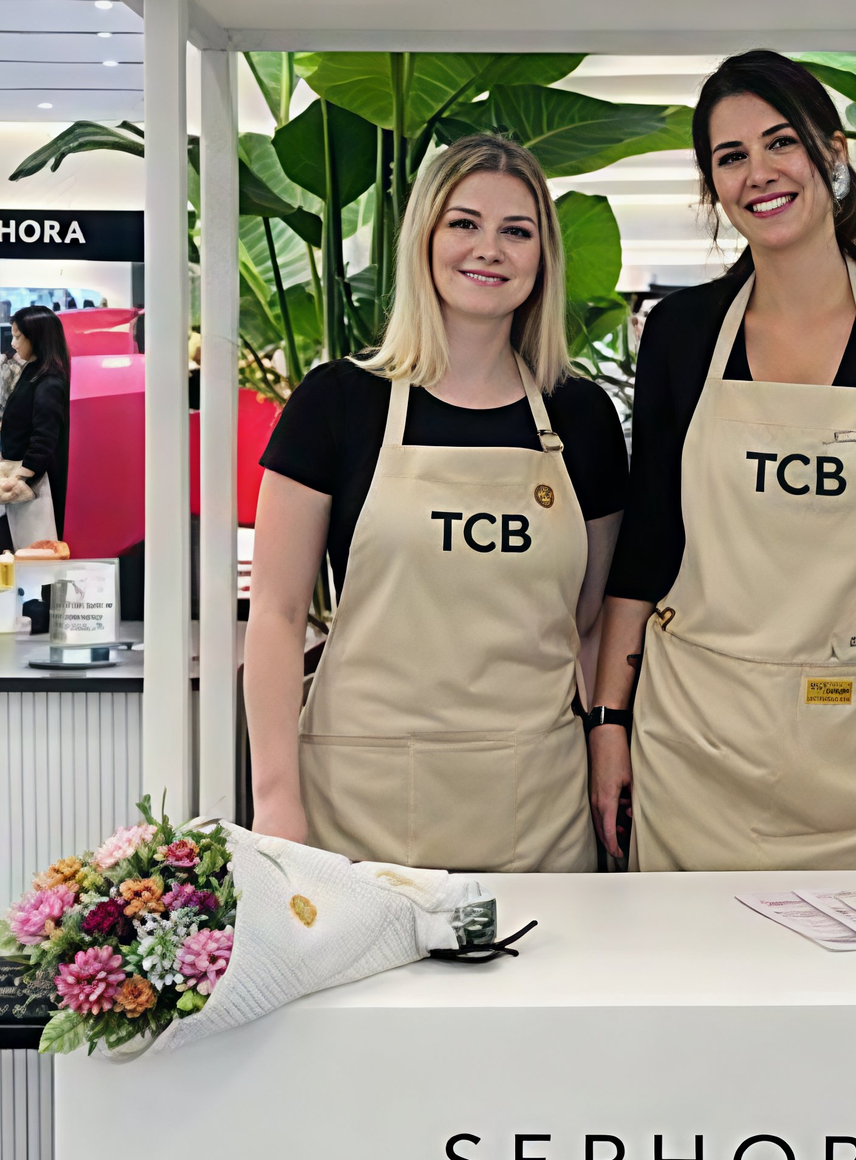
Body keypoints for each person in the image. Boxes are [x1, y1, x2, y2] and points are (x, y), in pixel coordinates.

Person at [590, 50, 856, 887]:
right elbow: (648, 542)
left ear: (833, 151)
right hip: (700, 751)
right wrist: (609, 720)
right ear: (713, 186)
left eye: (780, 142)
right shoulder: (682, 333)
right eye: (731, 157)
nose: (759, 173)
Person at [246, 134, 626, 871]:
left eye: (516, 231)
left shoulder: (581, 417)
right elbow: (278, 614)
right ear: (423, 236)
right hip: (358, 805)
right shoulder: (338, 404)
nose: (489, 249)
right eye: (464, 223)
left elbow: (590, 623)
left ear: (543, 256)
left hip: (536, 807)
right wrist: (275, 799)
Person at [0, 307, 71, 545]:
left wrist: (21, 476)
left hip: (40, 484)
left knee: (39, 558)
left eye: (18, 337)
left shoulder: (50, 380)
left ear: (36, 337)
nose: (14, 344)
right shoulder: (34, 370)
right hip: (29, 480)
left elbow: (45, 435)